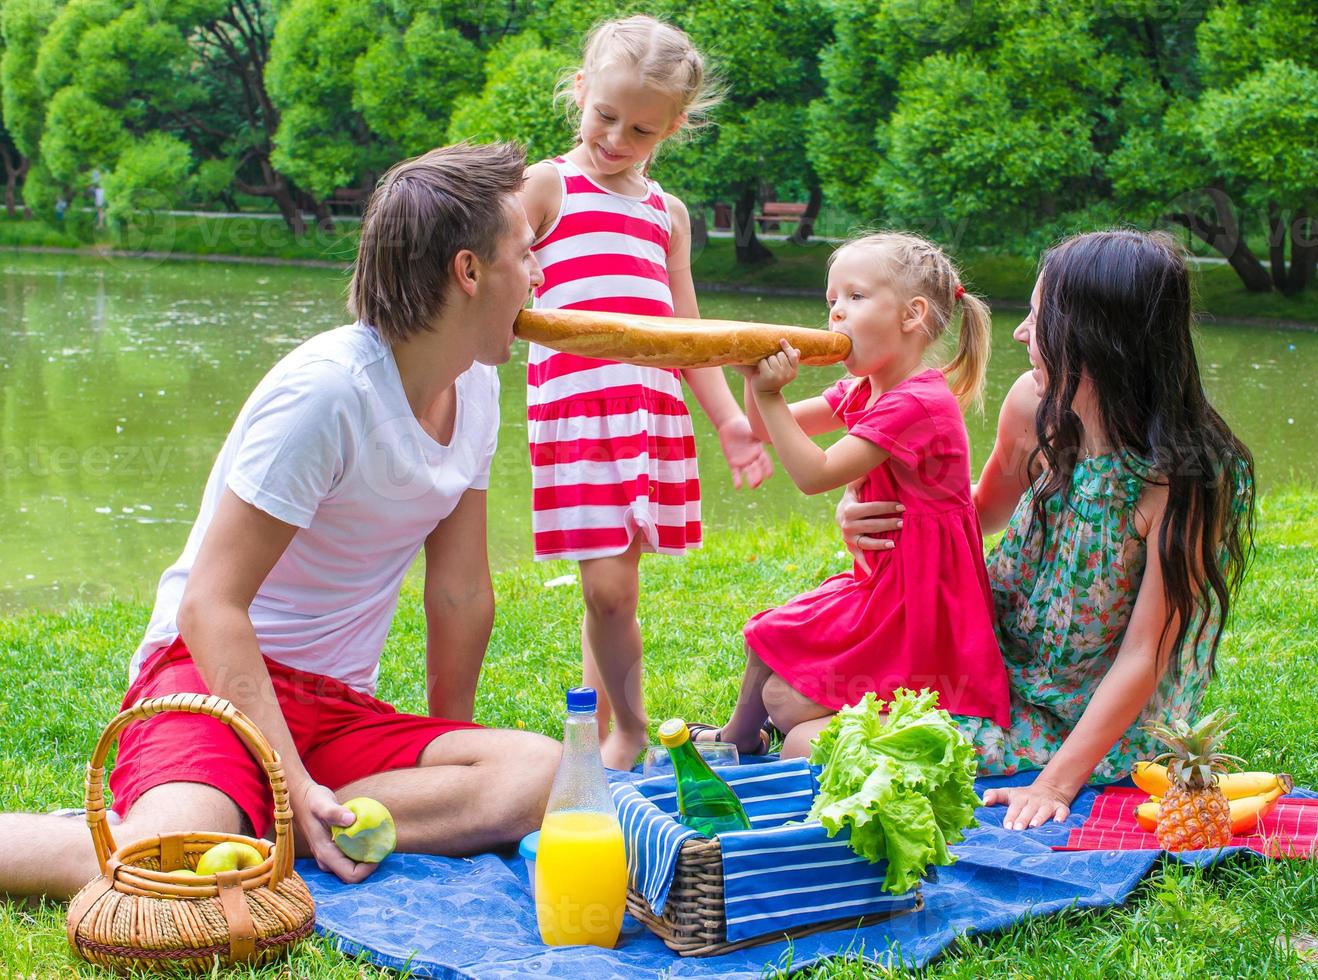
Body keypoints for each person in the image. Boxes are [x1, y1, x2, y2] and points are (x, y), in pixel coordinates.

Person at [0, 141, 560, 900]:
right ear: (468, 271)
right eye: (525, 256)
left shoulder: (479, 387)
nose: (539, 276)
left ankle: (254, 830)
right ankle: (211, 828)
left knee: (543, 775)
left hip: (337, 706)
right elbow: (210, 604)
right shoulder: (327, 393)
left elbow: (459, 592)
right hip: (215, 681)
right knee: (167, 862)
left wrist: (449, 749)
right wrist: (292, 782)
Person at [838, 230, 1256, 828]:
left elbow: (1145, 654)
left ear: (1099, 339)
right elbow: (973, 516)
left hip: (1086, 708)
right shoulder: (1032, 408)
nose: (1020, 332)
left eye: (1038, 318)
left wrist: (1053, 786)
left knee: (819, 740)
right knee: (789, 696)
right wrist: (858, 509)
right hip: (989, 652)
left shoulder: (1189, 477)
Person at [518, 15, 772, 770]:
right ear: (580, 90)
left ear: (674, 128)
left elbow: (684, 331)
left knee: (616, 586)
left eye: (642, 130)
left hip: (650, 416)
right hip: (579, 417)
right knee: (606, 592)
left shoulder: (667, 214)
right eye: (606, 116)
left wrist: (728, 419)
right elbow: (503, 275)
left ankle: (601, 740)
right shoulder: (547, 185)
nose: (617, 139)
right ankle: (630, 728)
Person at [696, 232, 1008, 759]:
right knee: (771, 633)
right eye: (831, 301)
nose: (836, 314)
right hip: (887, 582)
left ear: (911, 315)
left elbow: (815, 473)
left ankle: (862, 725)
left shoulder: (918, 402)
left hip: (922, 607)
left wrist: (771, 394)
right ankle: (737, 739)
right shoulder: (866, 388)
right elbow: (765, 430)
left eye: (855, 298)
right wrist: (755, 379)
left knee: (790, 707)